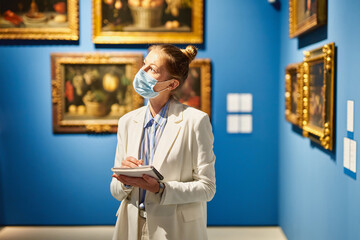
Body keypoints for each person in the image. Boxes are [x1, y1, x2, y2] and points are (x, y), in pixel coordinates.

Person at [110, 44, 216, 240]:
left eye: (153, 69)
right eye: (144, 64)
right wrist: (125, 182)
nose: (142, 72)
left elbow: (207, 188)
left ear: (172, 84)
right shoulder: (127, 122)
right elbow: (115, 191)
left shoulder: (196, 121)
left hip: (174, 229)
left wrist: (160, 189)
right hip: (132, 226)